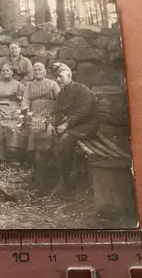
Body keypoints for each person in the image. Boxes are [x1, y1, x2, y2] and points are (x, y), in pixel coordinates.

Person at [47, 62, 98, 195]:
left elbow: (84, 111)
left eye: (61, 77)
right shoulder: (61, 94)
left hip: (86, 126)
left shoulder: (81, 89)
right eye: (56, 77)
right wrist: (51, 124)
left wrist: (66, 124)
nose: (58, 80)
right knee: (48, 139)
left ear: (69, 75)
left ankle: (67, 182)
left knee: (65, 139)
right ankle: (51, 179)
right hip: (70, 127)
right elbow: (56, 112)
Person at [24, 63, 60, 194]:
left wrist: (52, 119)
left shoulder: (52, 84)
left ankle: (51, 180)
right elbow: (25, 100)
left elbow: (60, 101)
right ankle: (36, 177)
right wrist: (26, 111)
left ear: (45, 71)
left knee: (50, 147)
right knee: (34, 147)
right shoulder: (29, 85)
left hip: (50, 117)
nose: (37, 72)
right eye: (35, 70)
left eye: (40, 69)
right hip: (35, 117)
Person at [0, 62, 28, 167]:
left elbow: (26, 99)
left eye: (7, 70)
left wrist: (19, 100)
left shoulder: (19, 85)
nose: (5, 72)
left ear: (12, 72)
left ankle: (13, 158)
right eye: (3, 70)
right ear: (0, 72)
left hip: (14, 111)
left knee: (14, 131)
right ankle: (1, 158)